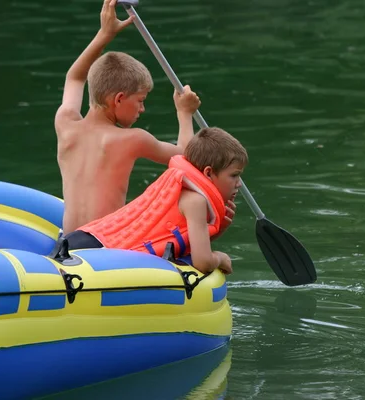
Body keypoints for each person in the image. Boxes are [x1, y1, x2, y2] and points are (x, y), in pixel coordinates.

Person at [55, 0, 201, 234]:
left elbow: (74, 77)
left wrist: (104, 34)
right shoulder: (132, 139)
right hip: (104, 247)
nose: (142, 109)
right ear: (119, 99)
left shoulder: (65, 123)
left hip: (68, 243)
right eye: (140, 100)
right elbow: (187, 155)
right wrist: (184, 113)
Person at [64, 127, 248, 275]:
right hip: (97, 253)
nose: (238, 184)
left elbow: (182, 241)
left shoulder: (179, 187)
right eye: (234, 175)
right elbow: (202, 262)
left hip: (84, 240)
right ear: (208, 173)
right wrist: (221, 258)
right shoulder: (196, 201)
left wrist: (219, 228)